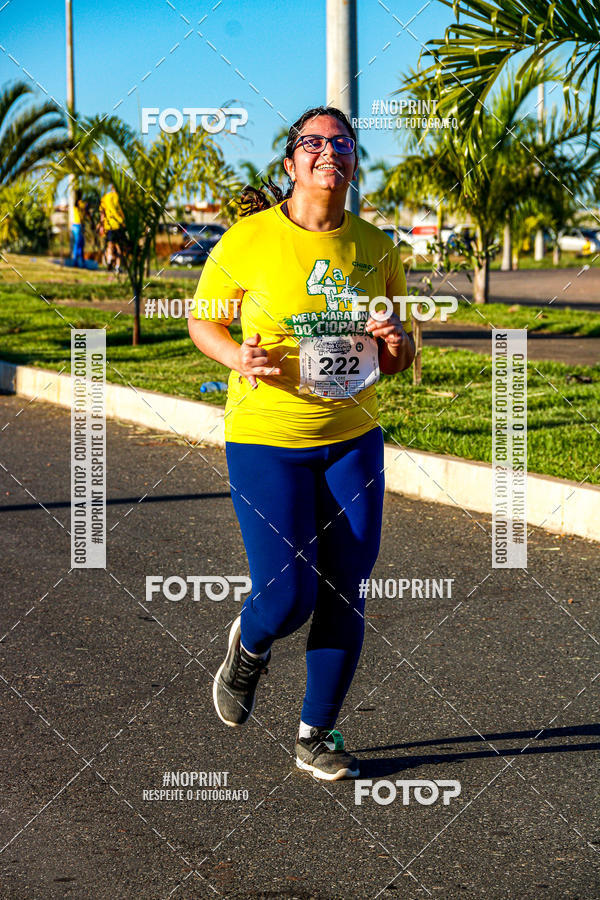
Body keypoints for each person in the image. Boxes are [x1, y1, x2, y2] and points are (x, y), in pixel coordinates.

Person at [188, 106, 415, 781]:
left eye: (340, 142)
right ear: (290, 163)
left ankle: (317, 734)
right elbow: (205, 322)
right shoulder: (249, 240)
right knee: (288, 597)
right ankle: (249, 645)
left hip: (353, 438)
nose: (326, 151)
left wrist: (398, 343)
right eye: (310, 142)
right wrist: (237, 358)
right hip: (267, 437)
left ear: (352, 161)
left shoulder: (377, 247)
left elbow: (398, 353)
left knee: (346, 589)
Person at [99, 184, 125, 273]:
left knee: (110, 244)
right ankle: (117, 267)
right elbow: (123, 212)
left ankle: (109, 259)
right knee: (119, 247)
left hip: (109, 225)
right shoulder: (120, 198)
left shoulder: (105, 197)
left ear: (111, 187)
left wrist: (101, 225)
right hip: (119, 224)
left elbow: (102, 212)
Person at [70, 189, 87, 267]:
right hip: (79, 226)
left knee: (77, 244)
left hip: (74, 225)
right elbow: (85, 212)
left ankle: (77, 262)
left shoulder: (75, 204)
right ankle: (78, 262)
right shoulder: (81, 204)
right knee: (79, 244)